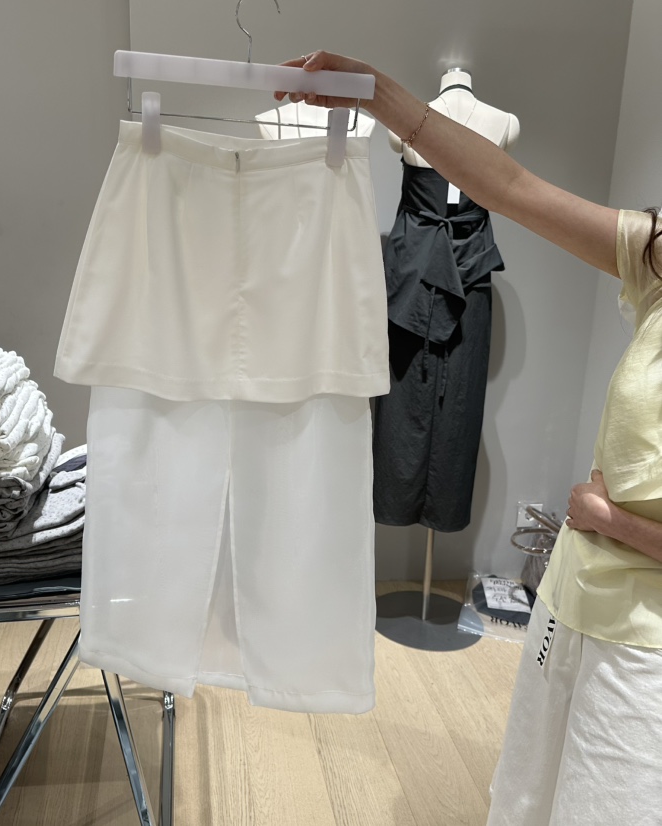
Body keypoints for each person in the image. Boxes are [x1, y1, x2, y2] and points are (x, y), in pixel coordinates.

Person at [276, 51, 662, 824]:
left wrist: (613, 523)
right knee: (524, 798)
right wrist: (375, 91)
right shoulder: (654, 261)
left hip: (643, 638)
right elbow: (509, 188)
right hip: (575, 596)